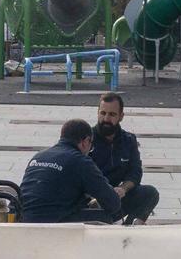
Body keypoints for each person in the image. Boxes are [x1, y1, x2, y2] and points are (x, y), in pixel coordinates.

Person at [18, 118, 122, 224]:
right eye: (91, 145)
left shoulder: (39, 156)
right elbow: (113, 203)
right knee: (104, 217)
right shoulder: (81, 161)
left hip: (22, 218)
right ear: (85, 141)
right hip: (52, 224)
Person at [86, 92, 159, 224]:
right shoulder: (86, 139)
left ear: (121, 116)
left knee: (150, 193)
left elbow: (135, 173)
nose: (106, 119)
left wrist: (123, 189)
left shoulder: (129, 140)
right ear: (97, 113)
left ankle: (129, 228)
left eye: (112, 114)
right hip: (92, 199)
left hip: (117, 196)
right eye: (103, 113)